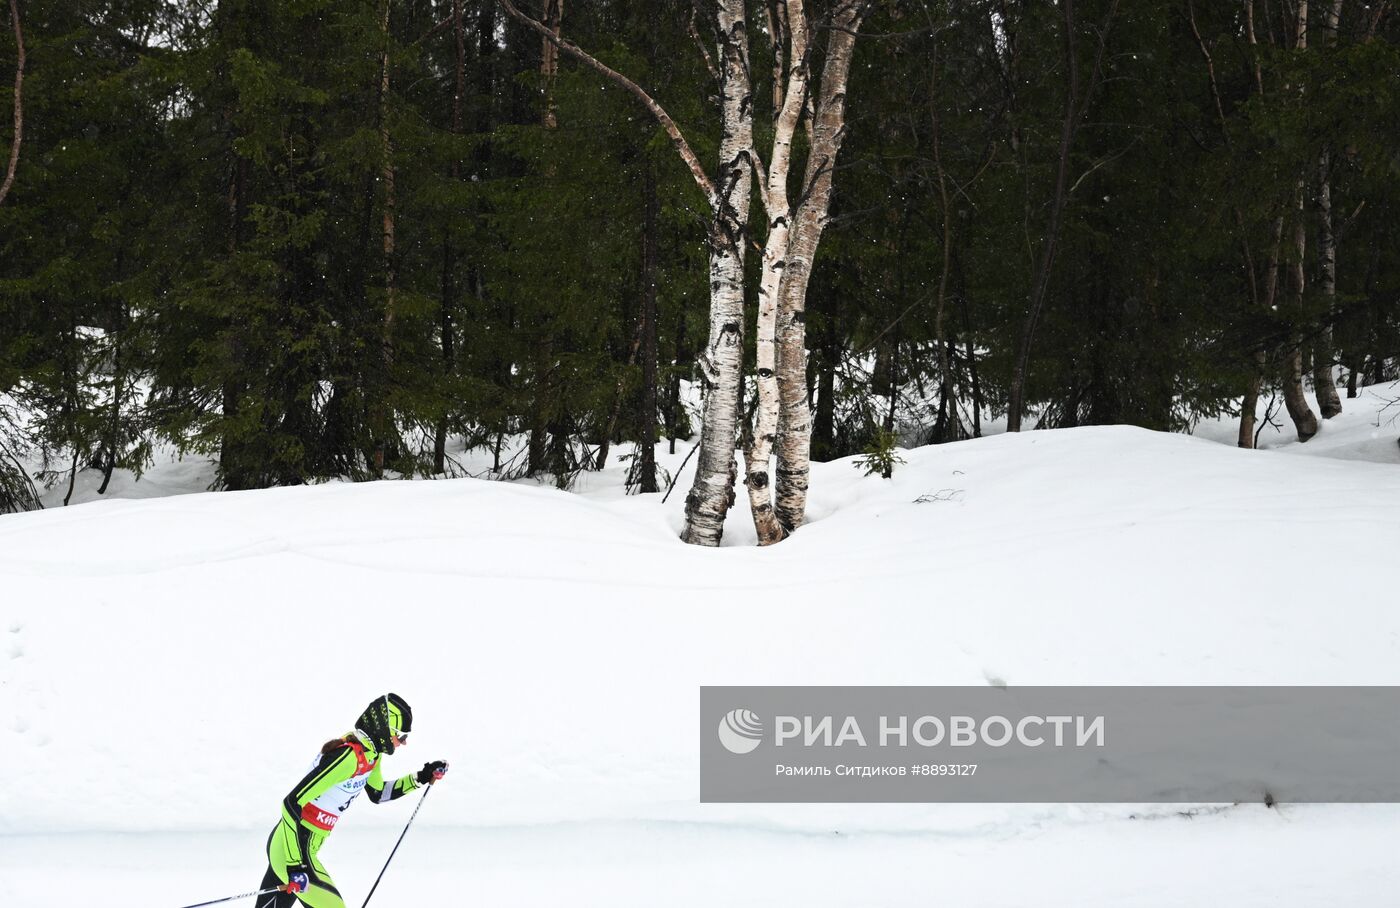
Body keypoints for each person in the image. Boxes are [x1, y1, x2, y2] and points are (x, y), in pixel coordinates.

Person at [256, 693, 448, 908]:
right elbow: (291, 803)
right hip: (292, 849)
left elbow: (378, 793)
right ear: (385, 729)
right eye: (401, 736)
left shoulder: (371, 756)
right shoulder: (347, 759)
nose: (404, 742)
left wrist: (420, 778)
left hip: (295, 848)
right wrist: (295, 865)